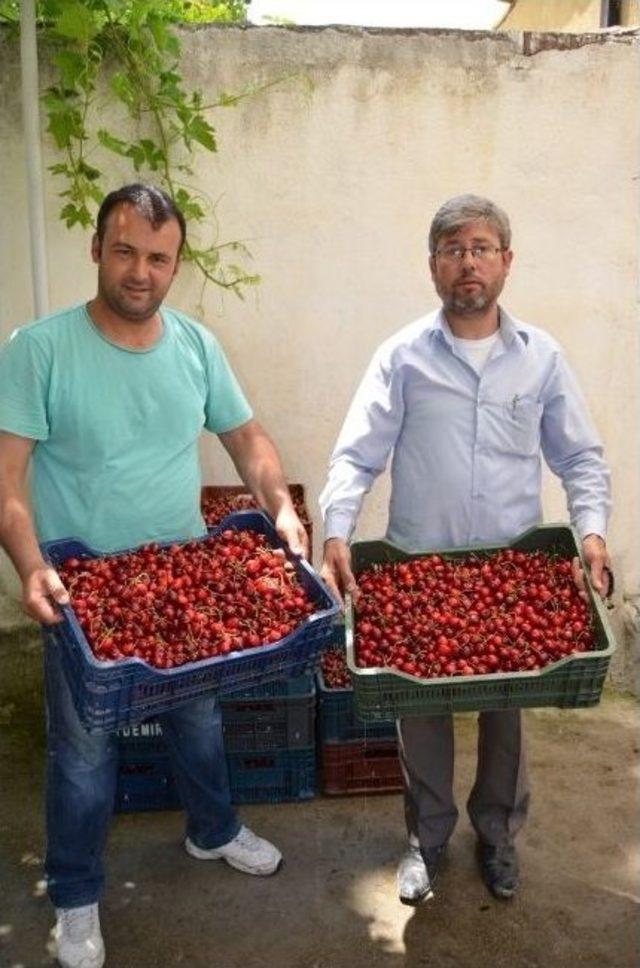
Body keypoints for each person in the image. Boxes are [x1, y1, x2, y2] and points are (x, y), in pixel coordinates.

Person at [0, 184, 309, 968]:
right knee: (83, 751)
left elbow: (247, 437)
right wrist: (31, 565)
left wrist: (280, 505)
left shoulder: (197, 347)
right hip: (86, 590)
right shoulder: (38, 350)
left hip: (181, 581)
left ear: (177, 266)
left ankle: (212, 830)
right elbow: (7, 479)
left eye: (159, 258)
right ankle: (74, 895)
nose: (141, 271)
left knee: (199, 722)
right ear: (98, 249)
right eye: (127, 250)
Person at [319, 194, 612, 906]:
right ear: (433, 267)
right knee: (420, 715)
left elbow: (580, 459)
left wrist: (593, 532)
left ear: (506, 262)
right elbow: (357, 456)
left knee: (506, 715)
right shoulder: (402, 358)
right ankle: (426, 839)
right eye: (453, 249)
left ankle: (499, 834)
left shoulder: (539, 358)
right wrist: (335, 529)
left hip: (512, 572)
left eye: (482, 247)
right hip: (423, 569)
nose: (468, 262)